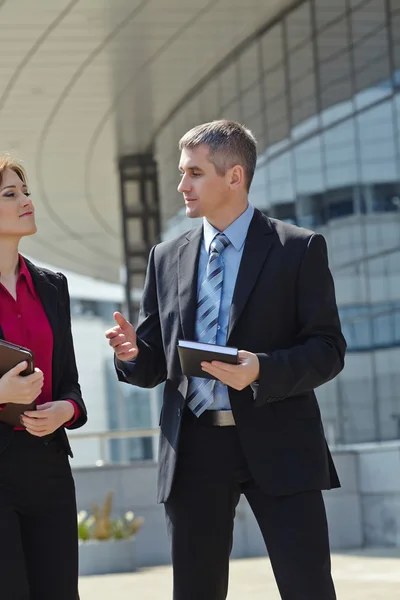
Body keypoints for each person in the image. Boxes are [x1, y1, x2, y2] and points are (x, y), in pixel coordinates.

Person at [106, 120, 346, 600]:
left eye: (194, 173)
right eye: (181, 172)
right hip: (193, 448)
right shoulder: (165, 257)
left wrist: (261, 369)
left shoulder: (297, 249)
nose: (182, 186)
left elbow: (328, 349)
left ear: (234, 177)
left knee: (307, 587)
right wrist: (133, 354)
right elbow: (155, 362)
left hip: (280, 441)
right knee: (195, 591)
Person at [0, 155, 87, 600]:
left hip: (50, 468)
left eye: (26, 191)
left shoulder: (52, 285)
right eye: (10, 194)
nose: (26, 201)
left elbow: (71, 383)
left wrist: (66, 410)